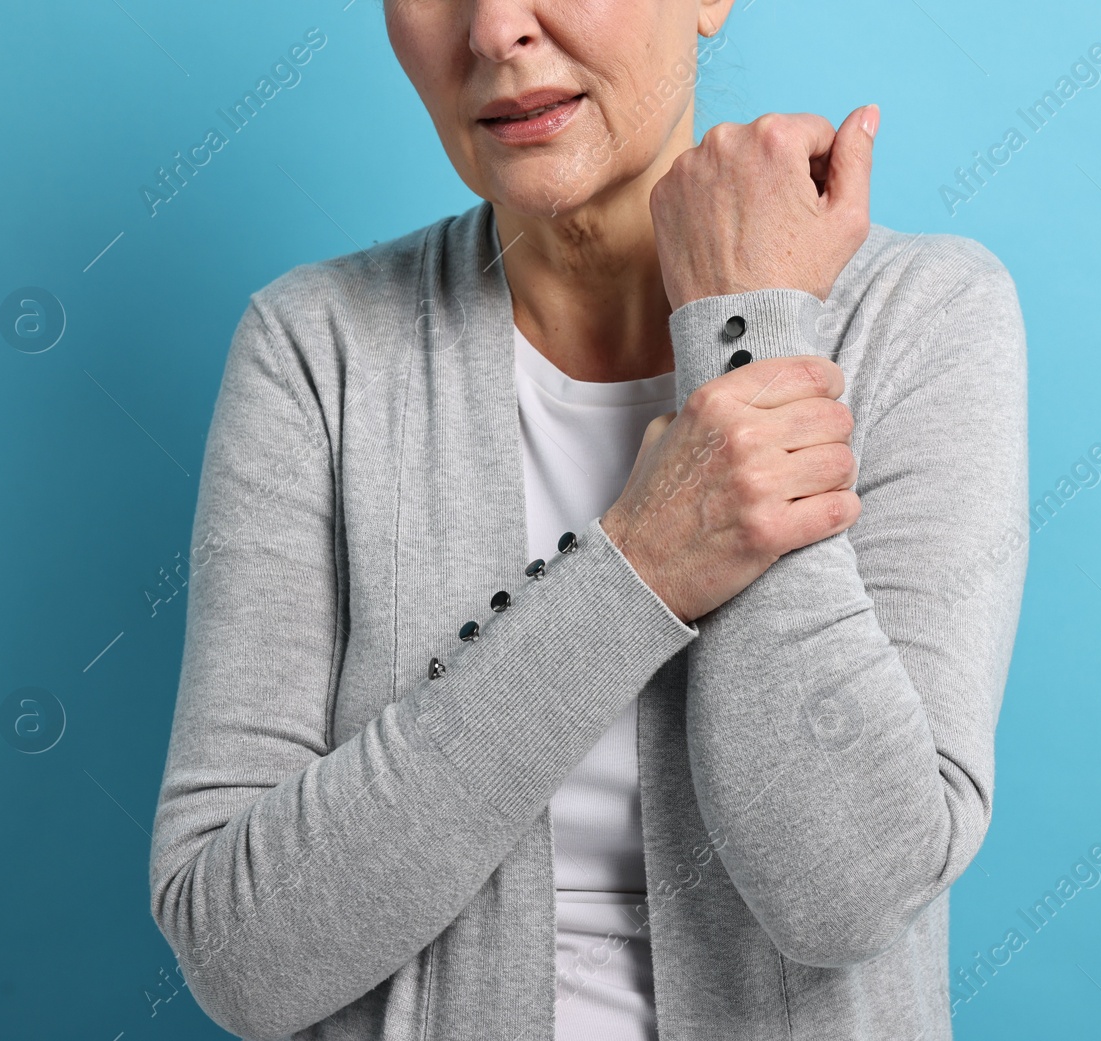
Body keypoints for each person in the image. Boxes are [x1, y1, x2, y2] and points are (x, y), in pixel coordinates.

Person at [147, 1, 1029, 1039]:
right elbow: (242, 958)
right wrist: (643, 564)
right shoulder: (318, 349)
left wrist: (745, 332)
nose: (492, 31)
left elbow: (847, 893)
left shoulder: (917, 315)